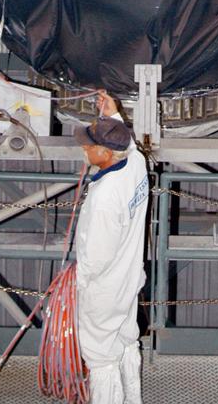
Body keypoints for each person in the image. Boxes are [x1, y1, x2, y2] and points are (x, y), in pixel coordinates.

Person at [74, 107, 149, 404]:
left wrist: (79, 283)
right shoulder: (136, 164)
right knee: (126, 340)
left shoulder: (106, 196)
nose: (84, 149)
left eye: (89, 146)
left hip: (104, 288)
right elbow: (128, 144)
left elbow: (97, 255)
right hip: (129, 279)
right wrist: (114, 116)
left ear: (105, 153)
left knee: (100, 356)